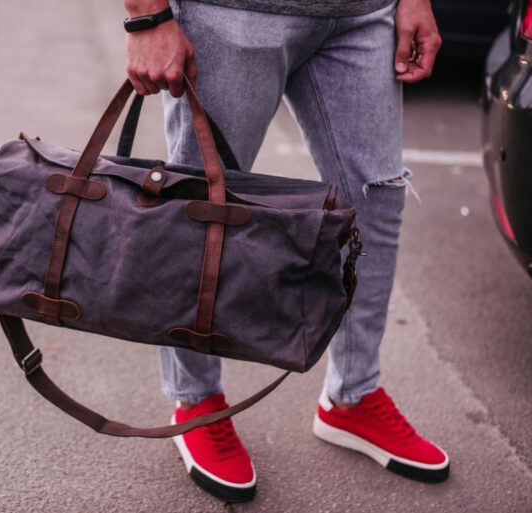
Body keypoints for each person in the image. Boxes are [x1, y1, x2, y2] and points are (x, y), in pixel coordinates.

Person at [123, 0, 447, 503]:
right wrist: (148, 15)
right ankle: (197, 401)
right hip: (229, 14)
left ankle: (353, 395)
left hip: (363, 15)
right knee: (203, 211)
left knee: (374, 205)